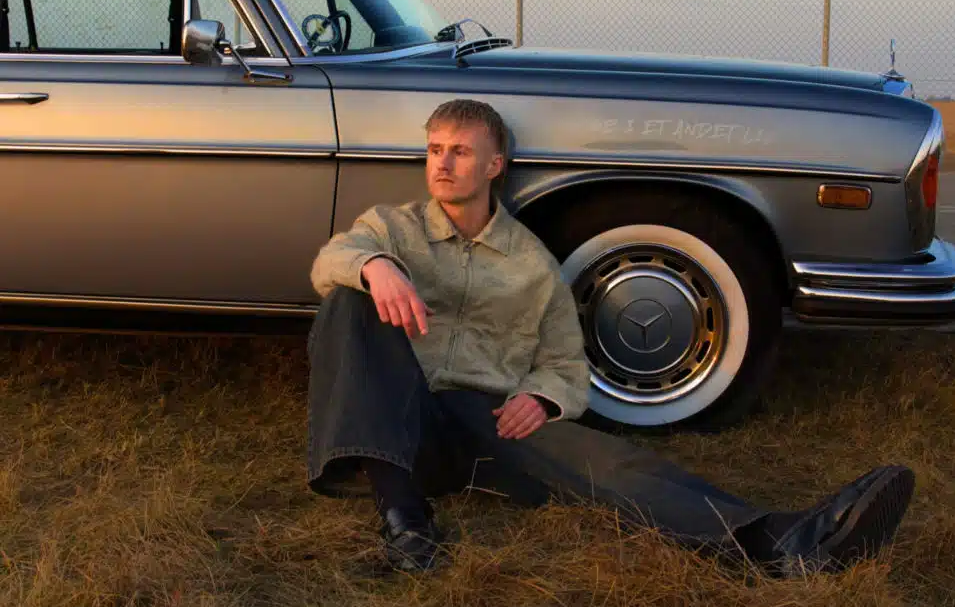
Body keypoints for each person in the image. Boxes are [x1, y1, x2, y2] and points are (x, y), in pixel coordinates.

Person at [305, 98, 915, 576]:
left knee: (611, 463)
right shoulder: (390, 227)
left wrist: (542, 397)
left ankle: (782, 541)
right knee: (347, 301)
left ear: (495, 166)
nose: (441, 164)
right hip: (389, 417)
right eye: (435, 149)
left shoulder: (532, 265)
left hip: (477, 421)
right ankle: (406, 521)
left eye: (460, 152)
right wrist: (376, 266)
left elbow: (567, 367)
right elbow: (331, 259)